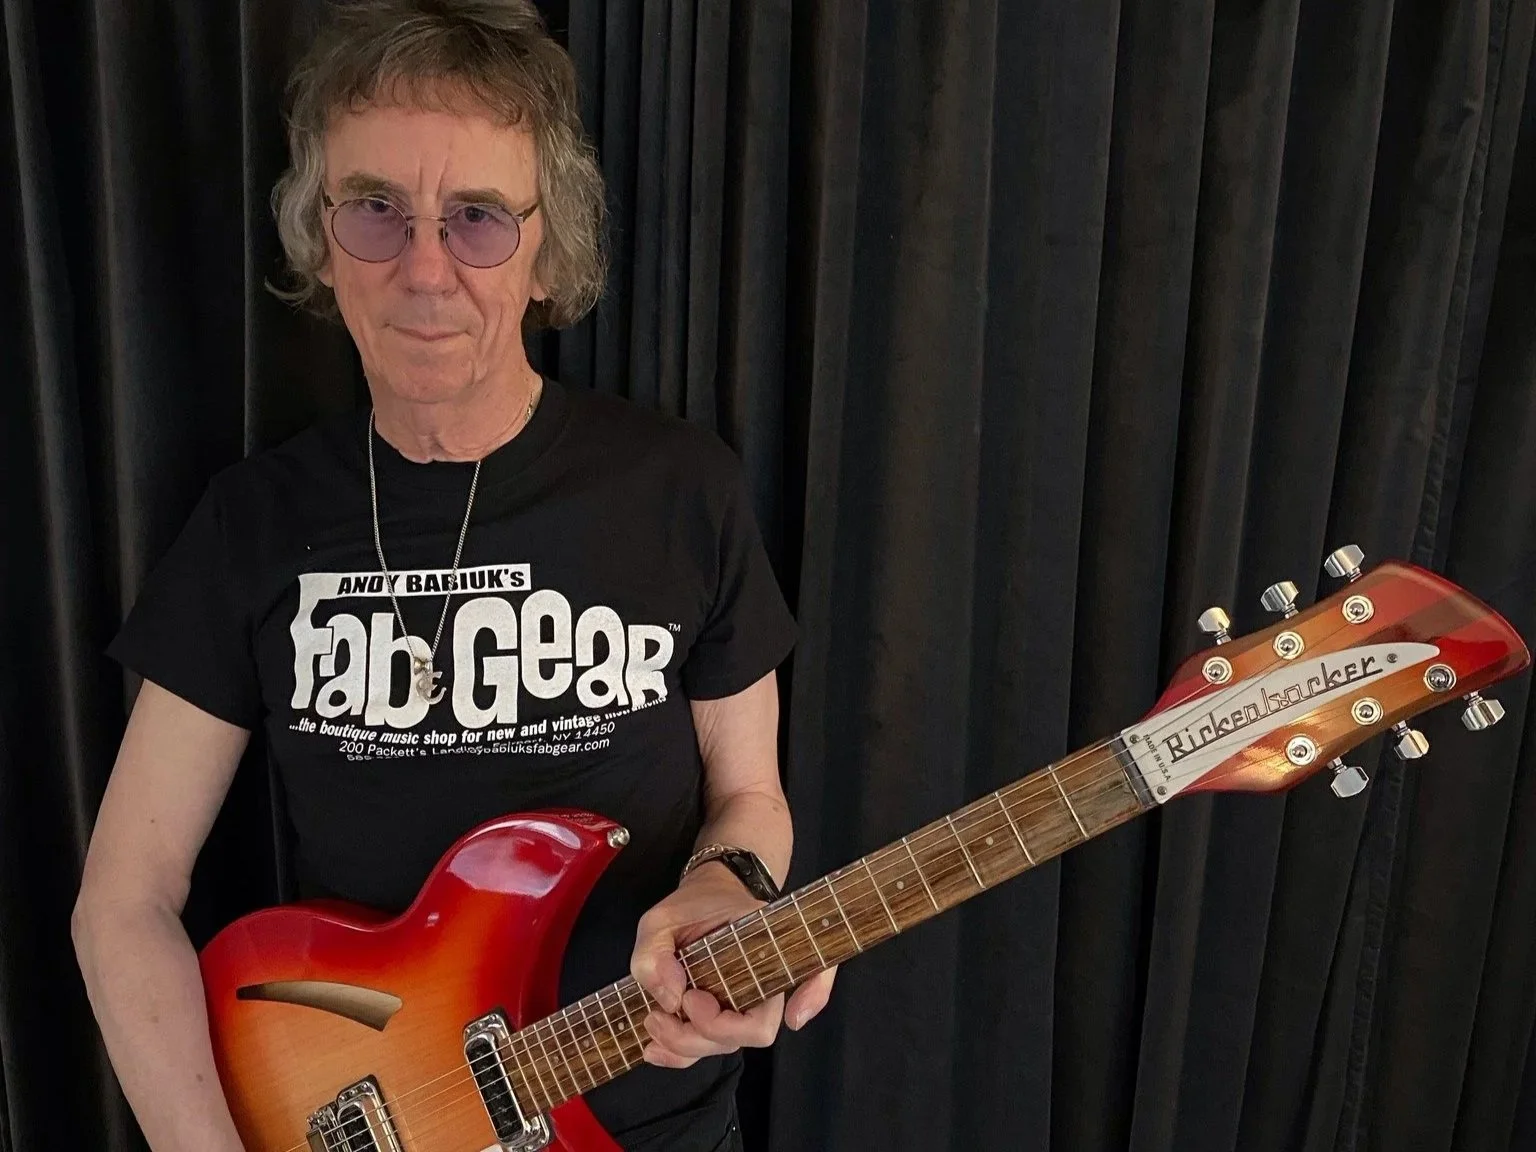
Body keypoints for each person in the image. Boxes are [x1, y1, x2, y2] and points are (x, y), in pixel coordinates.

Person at [69, 2, 835, 1149]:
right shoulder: (253, 522)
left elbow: (749, 798)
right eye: (376, 210)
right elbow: (121, 900)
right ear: (322, 239)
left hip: (648, 1126)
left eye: (477, 218)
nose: (425, 269)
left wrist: (727, 888)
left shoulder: (680, 488)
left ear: (547, 249)